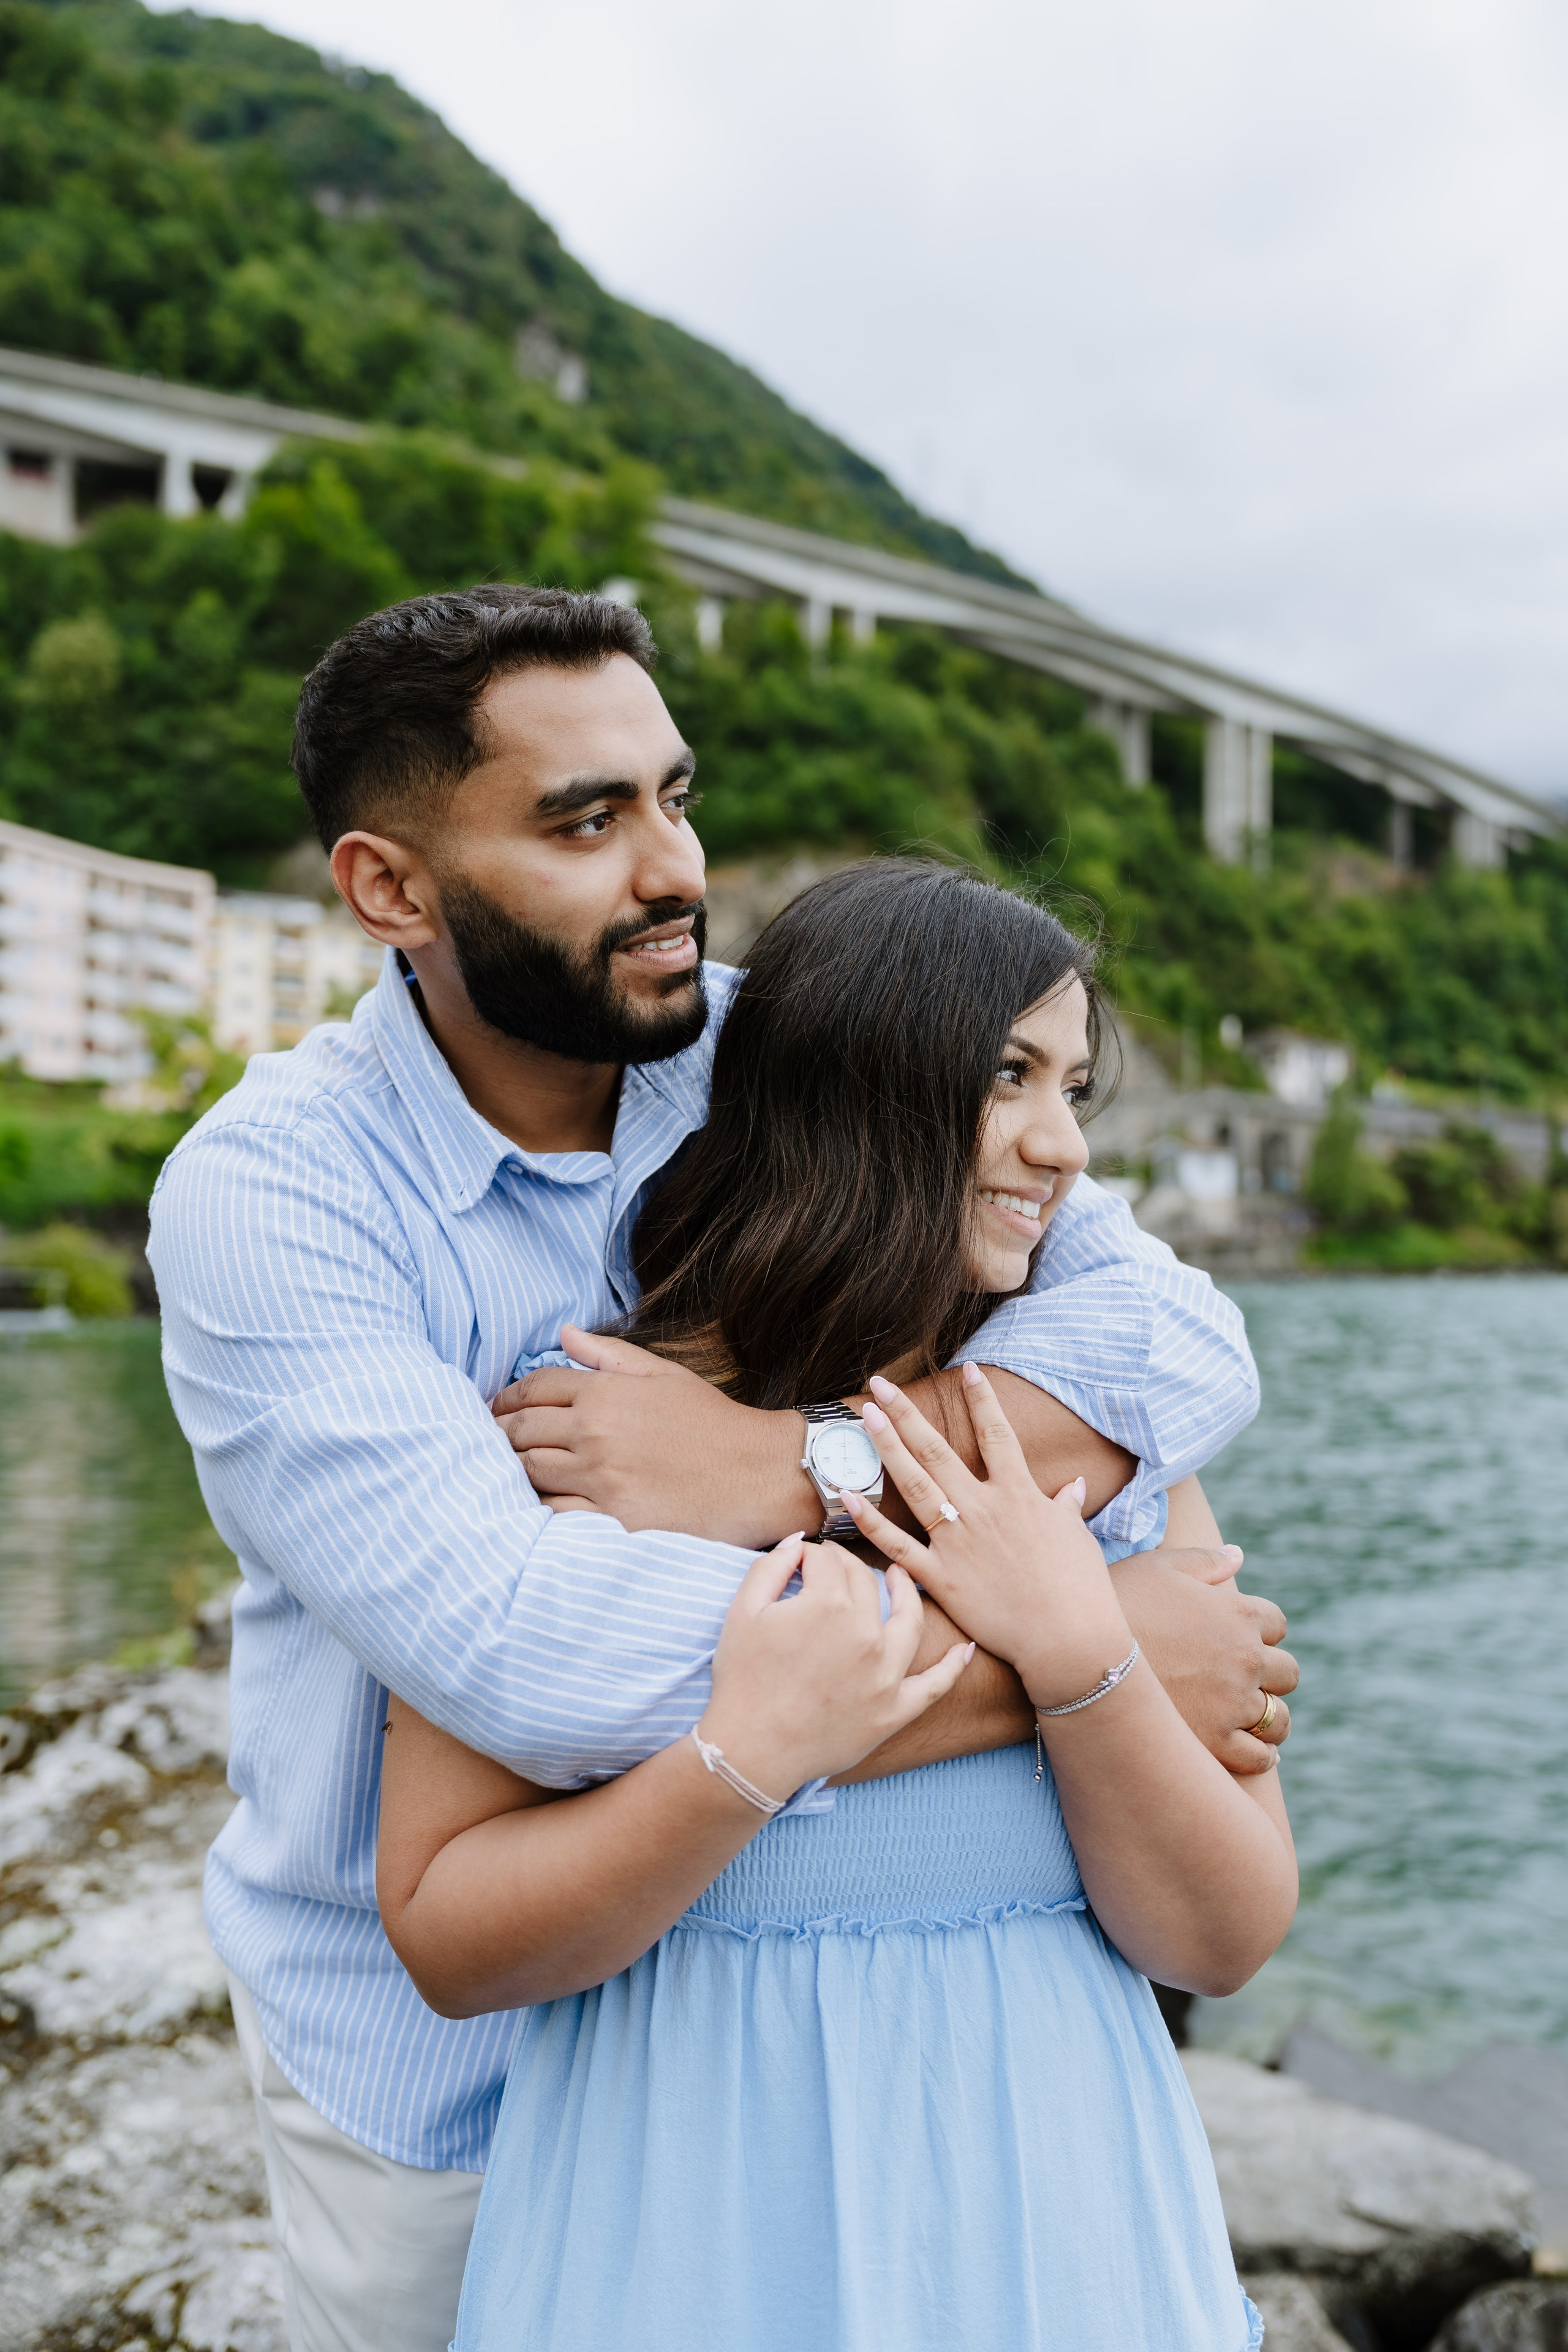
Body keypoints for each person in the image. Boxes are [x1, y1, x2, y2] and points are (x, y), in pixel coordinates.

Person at [148, 587, 1292, 2352]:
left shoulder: (786, 1057)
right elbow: (527, 1657)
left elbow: (1177, 1341)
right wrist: (1084, 1653)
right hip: (444, 2066)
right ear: (388, 889)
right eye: (584, 823)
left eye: (675, 796)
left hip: (958, 2094)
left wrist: (797, 1463)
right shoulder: (278, 1195)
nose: (673, 868)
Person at [377, 864, 1295, 2352]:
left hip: (1051, 2230)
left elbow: (1224, 1936)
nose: (1062, 1146)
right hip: (692, 2239)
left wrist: (1085, 1657)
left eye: (1071, 1088)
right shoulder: (597, 1432)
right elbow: (452, 1942)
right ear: (853, 1082)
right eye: (1006, 1076)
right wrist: (740, 1762)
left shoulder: (1092, 1449)